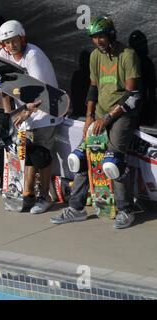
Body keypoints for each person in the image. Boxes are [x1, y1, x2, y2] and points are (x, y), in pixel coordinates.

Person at [50, 16, 141, 229]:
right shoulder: (95, 57)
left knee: (112, 162)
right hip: (99, 114)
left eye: (101, 36)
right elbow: (93, 88)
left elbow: (133, 95)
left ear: (111, 34)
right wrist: (90, 117)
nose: (98, 41)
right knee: (80, 158)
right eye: (94, 37)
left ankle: (126, 210)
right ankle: (76, 208)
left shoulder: (128, 56)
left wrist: (108, 118)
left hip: (123, 114)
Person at [0, 20, 62, 214]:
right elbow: (4, 90)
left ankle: (46, 196)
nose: (11, 45)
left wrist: (25, 112)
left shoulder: (33, 55)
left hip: (46, 113)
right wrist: (10, 116)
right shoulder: (3, 56)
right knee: (26, 156)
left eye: (14, 40)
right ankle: (26, 194)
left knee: (41, 155)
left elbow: (40, 93)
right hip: (24, 114)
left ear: (22, 37)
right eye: (6, 42)